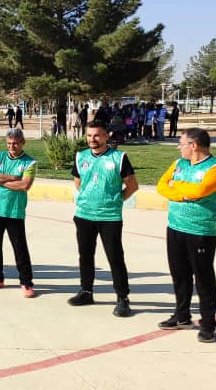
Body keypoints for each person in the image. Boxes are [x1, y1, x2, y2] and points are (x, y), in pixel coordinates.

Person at [156, 128, 216, 343]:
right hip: (175, 227)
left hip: (201, 231)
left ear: (194, 145)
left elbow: (200, 191)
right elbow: (161, 186)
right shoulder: (179, 164)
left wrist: (177, 186)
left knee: (203, 278)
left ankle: (207, 324)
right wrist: (183, 194)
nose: (179, 147)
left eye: (181, 143)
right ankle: (182, 316)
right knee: (179, 275)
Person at [68, 121, 139, 317]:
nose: (92, 139)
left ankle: (123, 298)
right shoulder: (81, 156)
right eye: (89, 135)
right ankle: (86, 291)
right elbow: (79, 183)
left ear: (106, 136)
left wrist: (116, 201)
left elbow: (132, 186)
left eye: (97, 135)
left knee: (115, 257)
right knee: (85, 255)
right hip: (84, 215)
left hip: (110, 217)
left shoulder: (119, 158)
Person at [0, 129, 37, 297]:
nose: (11, 146)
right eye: (9, 143)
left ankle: (26, 282)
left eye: (15, 143)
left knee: (19, 248)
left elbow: (24, 185)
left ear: (23, 143)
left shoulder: (29, 163)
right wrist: (12, 178)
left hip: (14, 211)